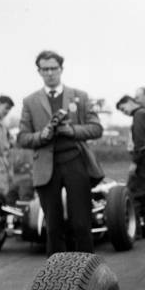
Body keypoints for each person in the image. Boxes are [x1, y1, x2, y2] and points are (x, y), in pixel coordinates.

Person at [18, 50, 104, 255]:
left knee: (82, 223)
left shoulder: (80, 97)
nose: (50, 73)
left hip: (75, 161)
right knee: (53, 227)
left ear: (61, 69)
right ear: (39, 72)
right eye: (45, 69)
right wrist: (42, 135)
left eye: (53, 68)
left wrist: (71, 131)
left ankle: (88, 273)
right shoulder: (30, 101)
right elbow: (22, 138)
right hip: (46, 167)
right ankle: (56, 281)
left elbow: (96, 128)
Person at [116, 94, 145, 238]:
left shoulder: (139, 115)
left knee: (133, 195)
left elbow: (140, 142)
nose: (124, 112)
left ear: (129, 101)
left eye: (123, 108)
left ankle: (136, 231)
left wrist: (134, 162)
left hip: (143, 161)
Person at [0, 95, 14, 196]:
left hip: (2, 164)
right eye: (6, 108)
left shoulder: (3, 123)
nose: (7, 111)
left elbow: (8, 144)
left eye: (9, 109)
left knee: (0, 196)